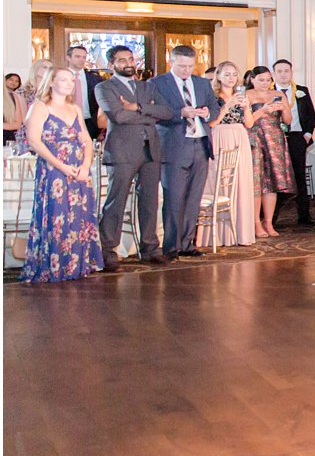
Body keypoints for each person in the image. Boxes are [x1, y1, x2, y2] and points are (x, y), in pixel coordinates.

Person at [20, 67, 103, 282]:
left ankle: (77, 264)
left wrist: (85, 165)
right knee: (57, 216)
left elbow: (86, 140)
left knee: (79, 217)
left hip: (79, 170)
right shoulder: (40, 107)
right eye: (63, 79)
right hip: (53, 170)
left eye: (71, 80)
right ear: (51, 82)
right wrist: (61, 166)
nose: (69, 83)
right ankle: (56, 266)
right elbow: (35, 141)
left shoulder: (75, 108)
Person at [96, 45, 174, 269]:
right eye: (122, 60)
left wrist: (137, 108)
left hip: (150, 150)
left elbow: (167, 112)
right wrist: (148, 114)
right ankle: (108, 251)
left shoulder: (146, 86)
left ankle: (150, 248)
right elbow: (118, 116)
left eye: (131, 58)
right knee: (115, 202)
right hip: (122, 151)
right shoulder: (104, 87)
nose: (129, 63)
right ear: (112, 65)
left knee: (150, 201)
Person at [151, 44, 221, 258]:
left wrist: (208, 113)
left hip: (200, 145)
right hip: (173, 147)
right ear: (172, 61)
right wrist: (179, 112)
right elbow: (154, 111)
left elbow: (215, 108)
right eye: (181, 66)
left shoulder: (201, 83)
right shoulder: (157, 83)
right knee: (173, 198)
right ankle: (171, 246)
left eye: (190, 66)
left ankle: (188, 243)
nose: (186, 71)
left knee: (194, 198)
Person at [202, 61, 257, 246]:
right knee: (219, 180)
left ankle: (239, 232)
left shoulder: (240, 95)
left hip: (239, 137)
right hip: (219, 137)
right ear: (218, 76)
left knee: (240, 182)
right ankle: (216, 234)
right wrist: (227, 105)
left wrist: (246, 107)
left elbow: (249, 124)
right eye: (226, 74)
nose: (231, 78)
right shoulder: (212, 96)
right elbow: (211, 122)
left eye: (234, 74)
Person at [244, 66, 295, 238]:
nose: (265, 83)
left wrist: (284, 108)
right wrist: (263, 110)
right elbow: (246, 121)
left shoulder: (279, 94)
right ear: (252, 79)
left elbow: (288, 120)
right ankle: (256, 223)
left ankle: (268, 222)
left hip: (275, 138)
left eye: (268, 80)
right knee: (257, 182)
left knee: (272, 182)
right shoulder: (247, 95)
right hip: (255, 138)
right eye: (261, 80)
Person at [271, 59, 315, 226]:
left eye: (286, 71)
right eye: (280, 71)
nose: (283, 74)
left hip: (297, 137)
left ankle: (304, 215)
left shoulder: (301, 91)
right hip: (275, 138)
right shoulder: (270, 92)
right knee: (277, 177)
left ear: (291, 72)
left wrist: (307, 135)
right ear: (274, 73)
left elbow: (310, 114)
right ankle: (272, 217)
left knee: (299, 176)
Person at [64, 44, 105, 140]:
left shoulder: (95, 79)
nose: (81, 60)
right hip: (67, 120)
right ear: (68, 58)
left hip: (90, 122)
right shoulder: (60, 77)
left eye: (84, 57)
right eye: (77, 56)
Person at [4, 72, 24, 142]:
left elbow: (18, 124)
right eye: (11, 80)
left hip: (7, 135)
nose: (13, 82)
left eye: (16, 81)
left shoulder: (15, 97)